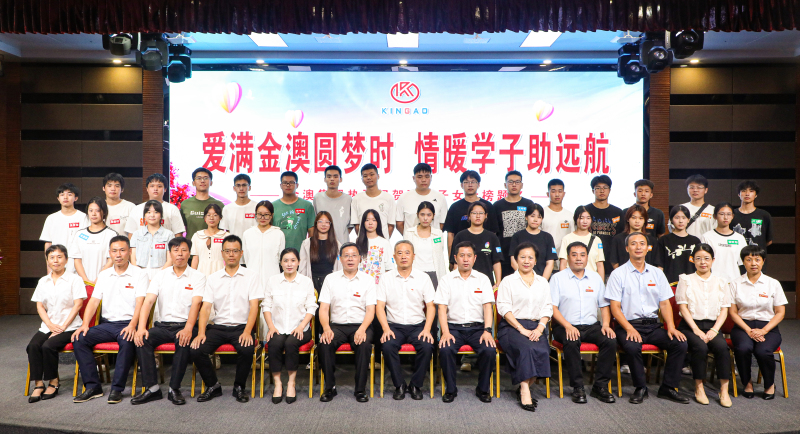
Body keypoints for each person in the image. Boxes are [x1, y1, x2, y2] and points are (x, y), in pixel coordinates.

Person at [605, 232, 689, 404]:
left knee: (679, 343)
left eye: (642, 243)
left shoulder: (657, 273)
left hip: (653, 326)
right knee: (632, 346)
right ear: (627, 248)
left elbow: (665, 304)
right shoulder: (618, 274)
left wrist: (671, 327)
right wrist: (629, 329)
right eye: (634, 244)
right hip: (628, 325)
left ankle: (668, 387)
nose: (638, 247)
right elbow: (615, 308)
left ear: (648, 248)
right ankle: (640, 388)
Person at [71, 236, 149, 404]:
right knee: (80, 338)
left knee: (127, 341)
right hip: (106, 325)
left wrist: (133, 325)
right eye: (114, 251)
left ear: (129, 252)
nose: (118, 254)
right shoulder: (104, 274)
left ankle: (117, 389)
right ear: (110, 253)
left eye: (122, 250)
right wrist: (85, 325)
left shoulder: (139, 274)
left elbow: (140, 303)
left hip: (128, 324)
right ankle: (93, 387)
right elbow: (94, 302)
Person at [131, 237, 206, 405]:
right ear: (170, 253)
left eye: (184, 250)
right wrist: (141, 328)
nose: (180, 254)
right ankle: (152, 388)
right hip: (163, 326)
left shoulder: (198, 277)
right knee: (142, 339)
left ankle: (174, 389)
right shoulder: (161, 275)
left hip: (186, 325)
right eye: (176, 250)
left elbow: (197, 304)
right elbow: (148, 302)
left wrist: (188, 328)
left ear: (189, 253)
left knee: (183, 340)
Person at [190, 235, 262, 403]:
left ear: (241, 253)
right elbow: (206, 308)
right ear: (222, 253)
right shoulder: (213, 278)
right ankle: (213, 385)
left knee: (246, 349)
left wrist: (247, 332)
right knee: (196, 349)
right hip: (218, 327)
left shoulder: (251, 276)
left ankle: (239, 387)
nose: (231, 254)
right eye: (227, 251)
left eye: (235, 251)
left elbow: (254, 307)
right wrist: (201, 333)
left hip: (241, 327)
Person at [549, 241, 617, 404]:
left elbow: (604, 305)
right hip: (564, 326)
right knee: (572, 340)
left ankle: (600, 386)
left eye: (582, 255)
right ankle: (578, 387)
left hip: (591, 326)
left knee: (610, 340)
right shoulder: (557, 278)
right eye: (574, 255)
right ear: (568, 258)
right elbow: (552, 307)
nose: (578, 258)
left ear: (587, 258)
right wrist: (567, 326)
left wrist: (606, 325)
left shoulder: (595, 278)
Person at [435, 241, 496, 403]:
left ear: (475, 258)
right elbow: (442, 308)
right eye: (462, 255)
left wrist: (487, 331)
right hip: (453, 328)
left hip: (477, 329)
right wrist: (445, 332)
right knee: (446, 349)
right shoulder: (446, 280)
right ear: (455, 258)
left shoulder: (483, 279)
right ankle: (450, 389)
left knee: (489, 350)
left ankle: (483, 389)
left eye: (469, 255)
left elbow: (487, 307)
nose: (466, 259)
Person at [496, 242, 553, 411]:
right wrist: (521, 329)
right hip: (511, 326)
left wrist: (540, 328)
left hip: (536, 326)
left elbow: (547, 308)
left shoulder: (542, 282)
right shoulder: (508, 281)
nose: (526, 261)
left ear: (535, 261)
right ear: (516, 260)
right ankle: (525, 390)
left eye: (530, 258)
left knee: (543, 351)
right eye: (522, 257)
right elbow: (503, 308)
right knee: (526, 348)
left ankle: (524, 385)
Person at [376, 240, 436, 400]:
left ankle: (416, 385)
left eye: (407, 253)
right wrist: (386, 329)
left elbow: (431, 306)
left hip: (418, 326)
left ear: (413, 256)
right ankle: (399, 385)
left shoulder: (423, 278)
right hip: (394, 326)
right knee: (387, 346)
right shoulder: (386, 278)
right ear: (394, 257)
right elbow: (379, 307)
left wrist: (427, 330)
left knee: (427, 346)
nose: (404, 256)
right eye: (400, 253)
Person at [317, 242, 377, 403]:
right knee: (325, 343)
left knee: (364, 345)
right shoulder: (330, 279)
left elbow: (371, 310)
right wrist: (326, 328)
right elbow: (323, 308)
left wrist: (362, 329)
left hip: (361, 324)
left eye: (354, 255)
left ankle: (360, 390)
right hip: (337, 326)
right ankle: (330, 387)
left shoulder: (368, 280)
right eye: (346, 256)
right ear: (340, 258)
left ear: (360, 259)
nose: (350, 259)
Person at [26, 245, 86, 403]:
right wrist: (50, 325)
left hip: (70, 327)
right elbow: (40, 306)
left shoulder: (75, 279)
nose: (56, 261)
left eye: (59, 257)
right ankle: (38, 384)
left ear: (66, 260)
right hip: (48, 325)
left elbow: (78, 305)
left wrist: (63, 327)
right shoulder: (43, 281)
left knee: (48, 346)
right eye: (52, 257)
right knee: (33, 346)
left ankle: (53, 382)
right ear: (47, 260)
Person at [674, 244, 732, 407]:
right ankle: (699, 388)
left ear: (713, 260)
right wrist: (696, 329)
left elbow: (724, 310)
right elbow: (683, 308)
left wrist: (714, 330)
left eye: (706, 258)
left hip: (713, 326)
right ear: (692, 260)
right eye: (698, 258)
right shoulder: (686, 280)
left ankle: (724, 390)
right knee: (700, 347)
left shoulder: (721, 282)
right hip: (690, 326)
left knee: (722, 347)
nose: (702, 262)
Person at [728, 245, 786, 400]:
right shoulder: (735, 284)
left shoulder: (773, 283)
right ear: (743, 262)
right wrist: (748, 330)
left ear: (763, 261)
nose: (753, 263)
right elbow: (733, 313)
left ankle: (769, 385)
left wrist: (764, 330)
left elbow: (780, 312)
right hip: (742, 326)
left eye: (757, 259)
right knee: (743, 348)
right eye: (749, 259)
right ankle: (747, 383)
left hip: (768, 327)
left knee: (763, 351)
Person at [263, 248, 317, 404]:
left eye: (293, 260)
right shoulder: (273, 281)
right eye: (285, 260)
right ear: (280, 263)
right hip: (278, 327)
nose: (289, 264)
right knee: (274, 343)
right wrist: (271, 327)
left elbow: (311, 307)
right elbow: (266, 305)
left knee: (291, 343)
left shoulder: (306, 282)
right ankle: (278, 383)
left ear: (298, 262)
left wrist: (301, 326)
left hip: (300, 328)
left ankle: (291, 383)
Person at [243, 201, 285, 338]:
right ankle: (254, 341)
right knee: (251, 307)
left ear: (272, 215)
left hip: (272, 276)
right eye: (260, 214)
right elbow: (246, 258)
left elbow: (281, 258)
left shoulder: (278, 234)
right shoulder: (248, 233)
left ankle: (269, 341)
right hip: (252, 277)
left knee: (271, 308)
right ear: (255, 215)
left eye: (266, 214)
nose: (263, 217)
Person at [443, 170, 499, 257]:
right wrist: (451, 257)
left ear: (478, 184)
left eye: (473, 182)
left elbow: (493, 232)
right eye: (466, 182)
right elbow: (450, 234)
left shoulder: (488, 206)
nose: (470, 185)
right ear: (461, 185)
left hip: (484, 254)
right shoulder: (455, 207)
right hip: (462, 256)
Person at [493, 170, 536, 279]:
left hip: (525, 255)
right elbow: (494, 232)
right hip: (504, 255)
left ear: (522, 185)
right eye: (511, 182)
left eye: (517, 182)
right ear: (505, 185)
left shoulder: (529, 204)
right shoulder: (497, 206)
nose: (514, 185)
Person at [449, 202, 502, 288]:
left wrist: (498, 283)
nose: (478, 216)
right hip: (464, 283)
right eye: (474, 213)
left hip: (486, 283)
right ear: (469, 216)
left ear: (486, 216)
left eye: (481, 213)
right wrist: (457, 283)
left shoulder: (492, 237)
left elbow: (496, 262)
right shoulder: (460, 236)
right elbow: (456, 263)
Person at [40, 183, 89, 274]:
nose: (65, 197)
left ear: (76, 198)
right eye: (62, 194)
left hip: (78, 264)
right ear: (58, 198)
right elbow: (48, 244)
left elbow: (87, 241)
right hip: (57, 264)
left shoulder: (83, 218)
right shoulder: (51, 218)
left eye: (69, 194)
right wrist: (49, 266)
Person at [585, 175, 624, 277]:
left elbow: (621, 237)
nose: (602, 191)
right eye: (598, 188)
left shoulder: (618, 212)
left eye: (605, 188)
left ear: (609, 190)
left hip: (611, 260)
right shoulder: (586, 210)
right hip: (589, 259)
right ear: (593, 191)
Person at [71, 197, 116, 284]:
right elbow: (77, 260)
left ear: (104, 212)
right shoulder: (80, 234)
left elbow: (111, 260)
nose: (93, 214)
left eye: (97, 210)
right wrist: (86, 280)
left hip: (104, 282)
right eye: (91, 210)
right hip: (82, 283)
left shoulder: (111, 235)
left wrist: (98, 280)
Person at [125, 173, 185, 237]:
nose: (155, 189)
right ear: (147, 189)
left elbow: (178, 234)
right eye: (152, 186)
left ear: (165, 189)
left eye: (159, 186)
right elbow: (131, 234)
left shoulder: (172, 209)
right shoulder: (137, 209)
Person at [403, 201, 447, 288]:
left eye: (429, 215)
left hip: (434, 273)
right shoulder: (409, 233)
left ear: (433, 216)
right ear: (417, 215)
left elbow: (440, 255)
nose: (425, 218)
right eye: (422, 215)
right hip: (415, 273)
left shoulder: (438, 233)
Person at [395, 163, 447, 235]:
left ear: (431, 177)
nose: (423, 180)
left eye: (427, 176)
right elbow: (399, 223)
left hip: (433, 239)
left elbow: (442, 223)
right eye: (420, 177)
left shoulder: (440, 197)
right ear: (413, 178)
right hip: (411, 240)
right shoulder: (404, 198)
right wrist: (410, 236)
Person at [701, 202, 747, 284]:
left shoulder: (739, 238)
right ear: (715, 216)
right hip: (712, 282)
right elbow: (703, 261)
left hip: (734, 282)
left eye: (729, 214)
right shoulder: (707, 237)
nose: (725, 217)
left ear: (732, 216)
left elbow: (743, 263)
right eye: (721, 214)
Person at [654, 206, 700, 285]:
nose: (680, 221)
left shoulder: (695, 241)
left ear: (688, 220)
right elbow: (660, 265)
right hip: (670, 284)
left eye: (684, 218)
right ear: (671, 220)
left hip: (692, 284)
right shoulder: (664, 240)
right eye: (677, 217)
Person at [509, 203, 557, 280]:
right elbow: (513, 261)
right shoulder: (517, 236)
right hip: (520, 280)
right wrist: (525, 279)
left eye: (539, 217)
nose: (535, 220)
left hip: (542, 279)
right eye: (532, 216)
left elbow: (550, 263)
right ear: (526, 217)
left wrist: (541, 282)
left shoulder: (547, 237)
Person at [130, 200, 176, 279]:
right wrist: (140, 275)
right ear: (144, 215)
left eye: (156, 212)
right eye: (148, 212)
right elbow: (132, 258)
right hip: (139, 273)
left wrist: (158, 277)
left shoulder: (169, 234)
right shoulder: (136, 234)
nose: (152, 215)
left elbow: (170, 260)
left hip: (162, 273)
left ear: (161, 215)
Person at [273, 171, 315, 251]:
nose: (288, 185)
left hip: (301, 253)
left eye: (291, 182)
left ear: (297, 185)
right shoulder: (273, 206)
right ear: (280, 185)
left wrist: (311, 251)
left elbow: (311, 231)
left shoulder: (307, 206)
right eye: (285, 183)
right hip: (278, 253)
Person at [179, 167, 224, 241]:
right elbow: (180, 228)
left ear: (211, 182)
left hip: (214, 245)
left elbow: (223, 229)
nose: (202, 181)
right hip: (191, 245)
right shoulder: (185, 204)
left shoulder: (219, 205)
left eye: (206, 178)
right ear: (193, 183)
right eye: (199, 178)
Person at [558, 206, 605, 277]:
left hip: (591, 279)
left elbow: (600, 265)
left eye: (588, 218)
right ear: (575, 219)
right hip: (571, 279)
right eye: (581, 218)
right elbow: (563, 264)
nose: (585, 221)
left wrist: (601, 282)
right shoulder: (567, 239)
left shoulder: (596, 240)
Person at [299, 211, 342, 289]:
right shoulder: (306, 244)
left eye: (327, 222)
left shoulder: (337, 244)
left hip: (330, 283)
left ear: (330, 225)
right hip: (312, 283)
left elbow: (339, 267)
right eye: (320, 221)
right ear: (316, 224)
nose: (323, 224)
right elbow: (302, 267)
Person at [351, 163, 395, 238]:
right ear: (362, 179)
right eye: (365, 176)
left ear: (378, 176)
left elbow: (390, 225)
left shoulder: (388, 198)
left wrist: (383, 239)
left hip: (383, 242)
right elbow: (357, 225)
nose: (368, 178)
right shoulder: (357, 199)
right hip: (364, 242)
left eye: (371, 174)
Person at [609, 204, 657, 269]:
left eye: (641, 218)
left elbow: (657, 263)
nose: (637, 221)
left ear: (645, 220)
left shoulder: (652, 240)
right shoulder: (618, 239)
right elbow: (614, 261)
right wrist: (621, 274)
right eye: (634, 218)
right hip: (624, 274)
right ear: (628, 219)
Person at [313, 165, 352, 243]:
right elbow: (314, 222)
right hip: (322, 243)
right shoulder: (318, 198)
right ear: (325, 179)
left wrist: (341, 234)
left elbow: (350, 225)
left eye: (335, 176)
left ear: (340, 179)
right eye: (329, 176)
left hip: (342, 243)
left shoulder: (348, 199)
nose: (332, 179)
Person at [541, 179, 574, 272]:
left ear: (564, 194)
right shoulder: (541, 213)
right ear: (548, 194)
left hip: (564, 259)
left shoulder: (570, 216)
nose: (557, 194)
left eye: (560, 191)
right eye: (553, 191)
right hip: (544, 259)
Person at [356, 209, 395, 284]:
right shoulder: (357, 242)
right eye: (367, 220)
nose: (370, 223)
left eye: (374, 220)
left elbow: (389, 268)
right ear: (363, 223)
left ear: (378, 223)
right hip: (361, 284)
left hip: (379, 285)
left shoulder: (385, 243)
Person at [731, 180, 773, 248]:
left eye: (751, 191)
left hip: (757, 253)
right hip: (736, 253)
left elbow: (769, 241)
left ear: (756, 195)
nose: (747, 194)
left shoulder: (764, 215)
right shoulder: (731, 214)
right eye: (744, 191)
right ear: (739, 194)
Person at [190, 204, 228, 276]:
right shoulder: (197, 235)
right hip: (201, 272)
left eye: (215, 215)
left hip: (220, 272)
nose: (211, 218)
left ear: (220, 218)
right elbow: (195, 258)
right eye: (208, 215)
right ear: (204, 218)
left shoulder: (226, 236)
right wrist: (192, 276)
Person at [220, 174, 257, 238]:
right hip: (233, 244)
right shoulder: (227, 208)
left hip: (253, 243)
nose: (241, 188)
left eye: (244, 185)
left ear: (249, 188)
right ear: (234, 188)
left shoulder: (257, 207)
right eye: (238, 185)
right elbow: (224, 231)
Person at [682, 174, 717, 239]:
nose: (695, 190)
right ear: (687, 189)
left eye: (699, 187)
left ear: (706, 190)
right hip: (685, 244)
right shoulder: (680, 208)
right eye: (692, 187)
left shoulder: (713, 210)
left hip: (706, 244)